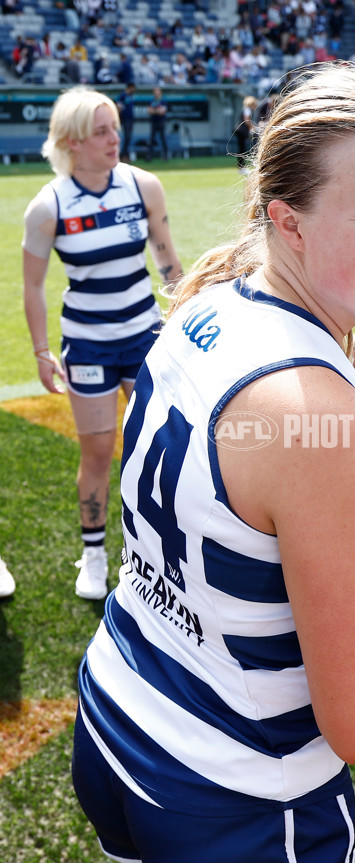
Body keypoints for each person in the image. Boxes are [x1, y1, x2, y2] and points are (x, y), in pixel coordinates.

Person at [71, 63, 355, 863]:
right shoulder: (327, 422)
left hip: (116, 711)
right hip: (239, 794)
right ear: (288, 222)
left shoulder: (208, 302)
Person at [22, 86, 183, 601]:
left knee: (157, 448)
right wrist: (42, 351)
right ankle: (93, 556)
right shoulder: (48, 207)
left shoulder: (142, 186)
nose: (115, 138)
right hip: (87, 346)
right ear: (71, 141)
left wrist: (183, 318)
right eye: (101, 131)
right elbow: (31, 286)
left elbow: (167, 260)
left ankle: (153, 553)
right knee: (97, 453)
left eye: (115, 127)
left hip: (145, 337)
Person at [233, 94, 258, 172]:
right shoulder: (247, 109)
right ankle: (241, 167)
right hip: (241, 131)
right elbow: (247, 120)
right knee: (242, 149)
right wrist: (252, 127)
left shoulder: (245, 109)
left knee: (241, 148)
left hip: (239, 130)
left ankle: (241, 167)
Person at [116, 81, 136, 161]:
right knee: (126, 136)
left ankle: (125, 154)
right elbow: (119, 107)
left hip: (130, 119)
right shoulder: (123, 96)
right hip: (125, 119)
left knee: (129, 137)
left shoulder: (130, 96)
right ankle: (123, 155)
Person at [147, 85, 168, 161]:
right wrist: (157, 111)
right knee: (152, 139)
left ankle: (165, 156)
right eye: (154, 91)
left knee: (163, 138)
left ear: (160, 92)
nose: (156, 93)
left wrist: (154, 111)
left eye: (157, 91)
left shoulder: (163, 101)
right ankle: (149, 156)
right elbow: (149, 111)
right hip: (154, 122)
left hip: (161, 122)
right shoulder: (151, 101)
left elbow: (162, 111)